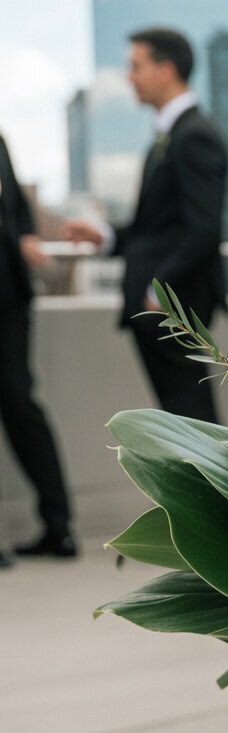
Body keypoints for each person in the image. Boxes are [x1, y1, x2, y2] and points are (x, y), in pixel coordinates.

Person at [63, 29, 227, 422]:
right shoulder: (172, 135)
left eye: (136, 66)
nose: (129, 77)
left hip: (172, 306)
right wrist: (105, 235)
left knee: (194, 422)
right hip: (161, 305)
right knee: (182, 421)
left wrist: (159, 291)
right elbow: (157, 227)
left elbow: (203, 229)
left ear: (166, 70)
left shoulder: (194, 136)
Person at [0, 133, 76, 561]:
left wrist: (24, 236)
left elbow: (17, 209)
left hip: (10, 295)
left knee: (20, 403)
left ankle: (58, 526)